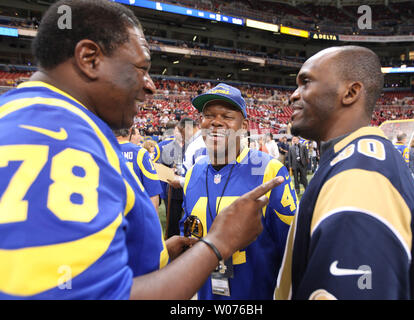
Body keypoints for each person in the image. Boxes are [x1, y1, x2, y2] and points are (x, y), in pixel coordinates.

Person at [0, 0, 284, 299]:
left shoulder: (41, 121)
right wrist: (217, 245)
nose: (150, 85)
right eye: (142, 68)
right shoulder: (55, 141)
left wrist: (155, 255)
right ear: (89, 58)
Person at [274, 45, 414, 300]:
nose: (293, 95)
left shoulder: (358, 178)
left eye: (306, 82)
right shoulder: (361, 159)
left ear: (350, 92)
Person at [180, 83, 298, 299]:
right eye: (208, 115)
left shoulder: (269, 170)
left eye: (227, 116)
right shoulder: (192, 174)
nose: (216, 122)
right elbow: (188, 233)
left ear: (244, 126)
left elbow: (292, 250)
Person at [114, 127, 161, 212]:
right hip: (134, 211)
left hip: (106, 214)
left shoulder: (99, 150)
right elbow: (153, 191)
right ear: (130, 131)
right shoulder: (140, 153)